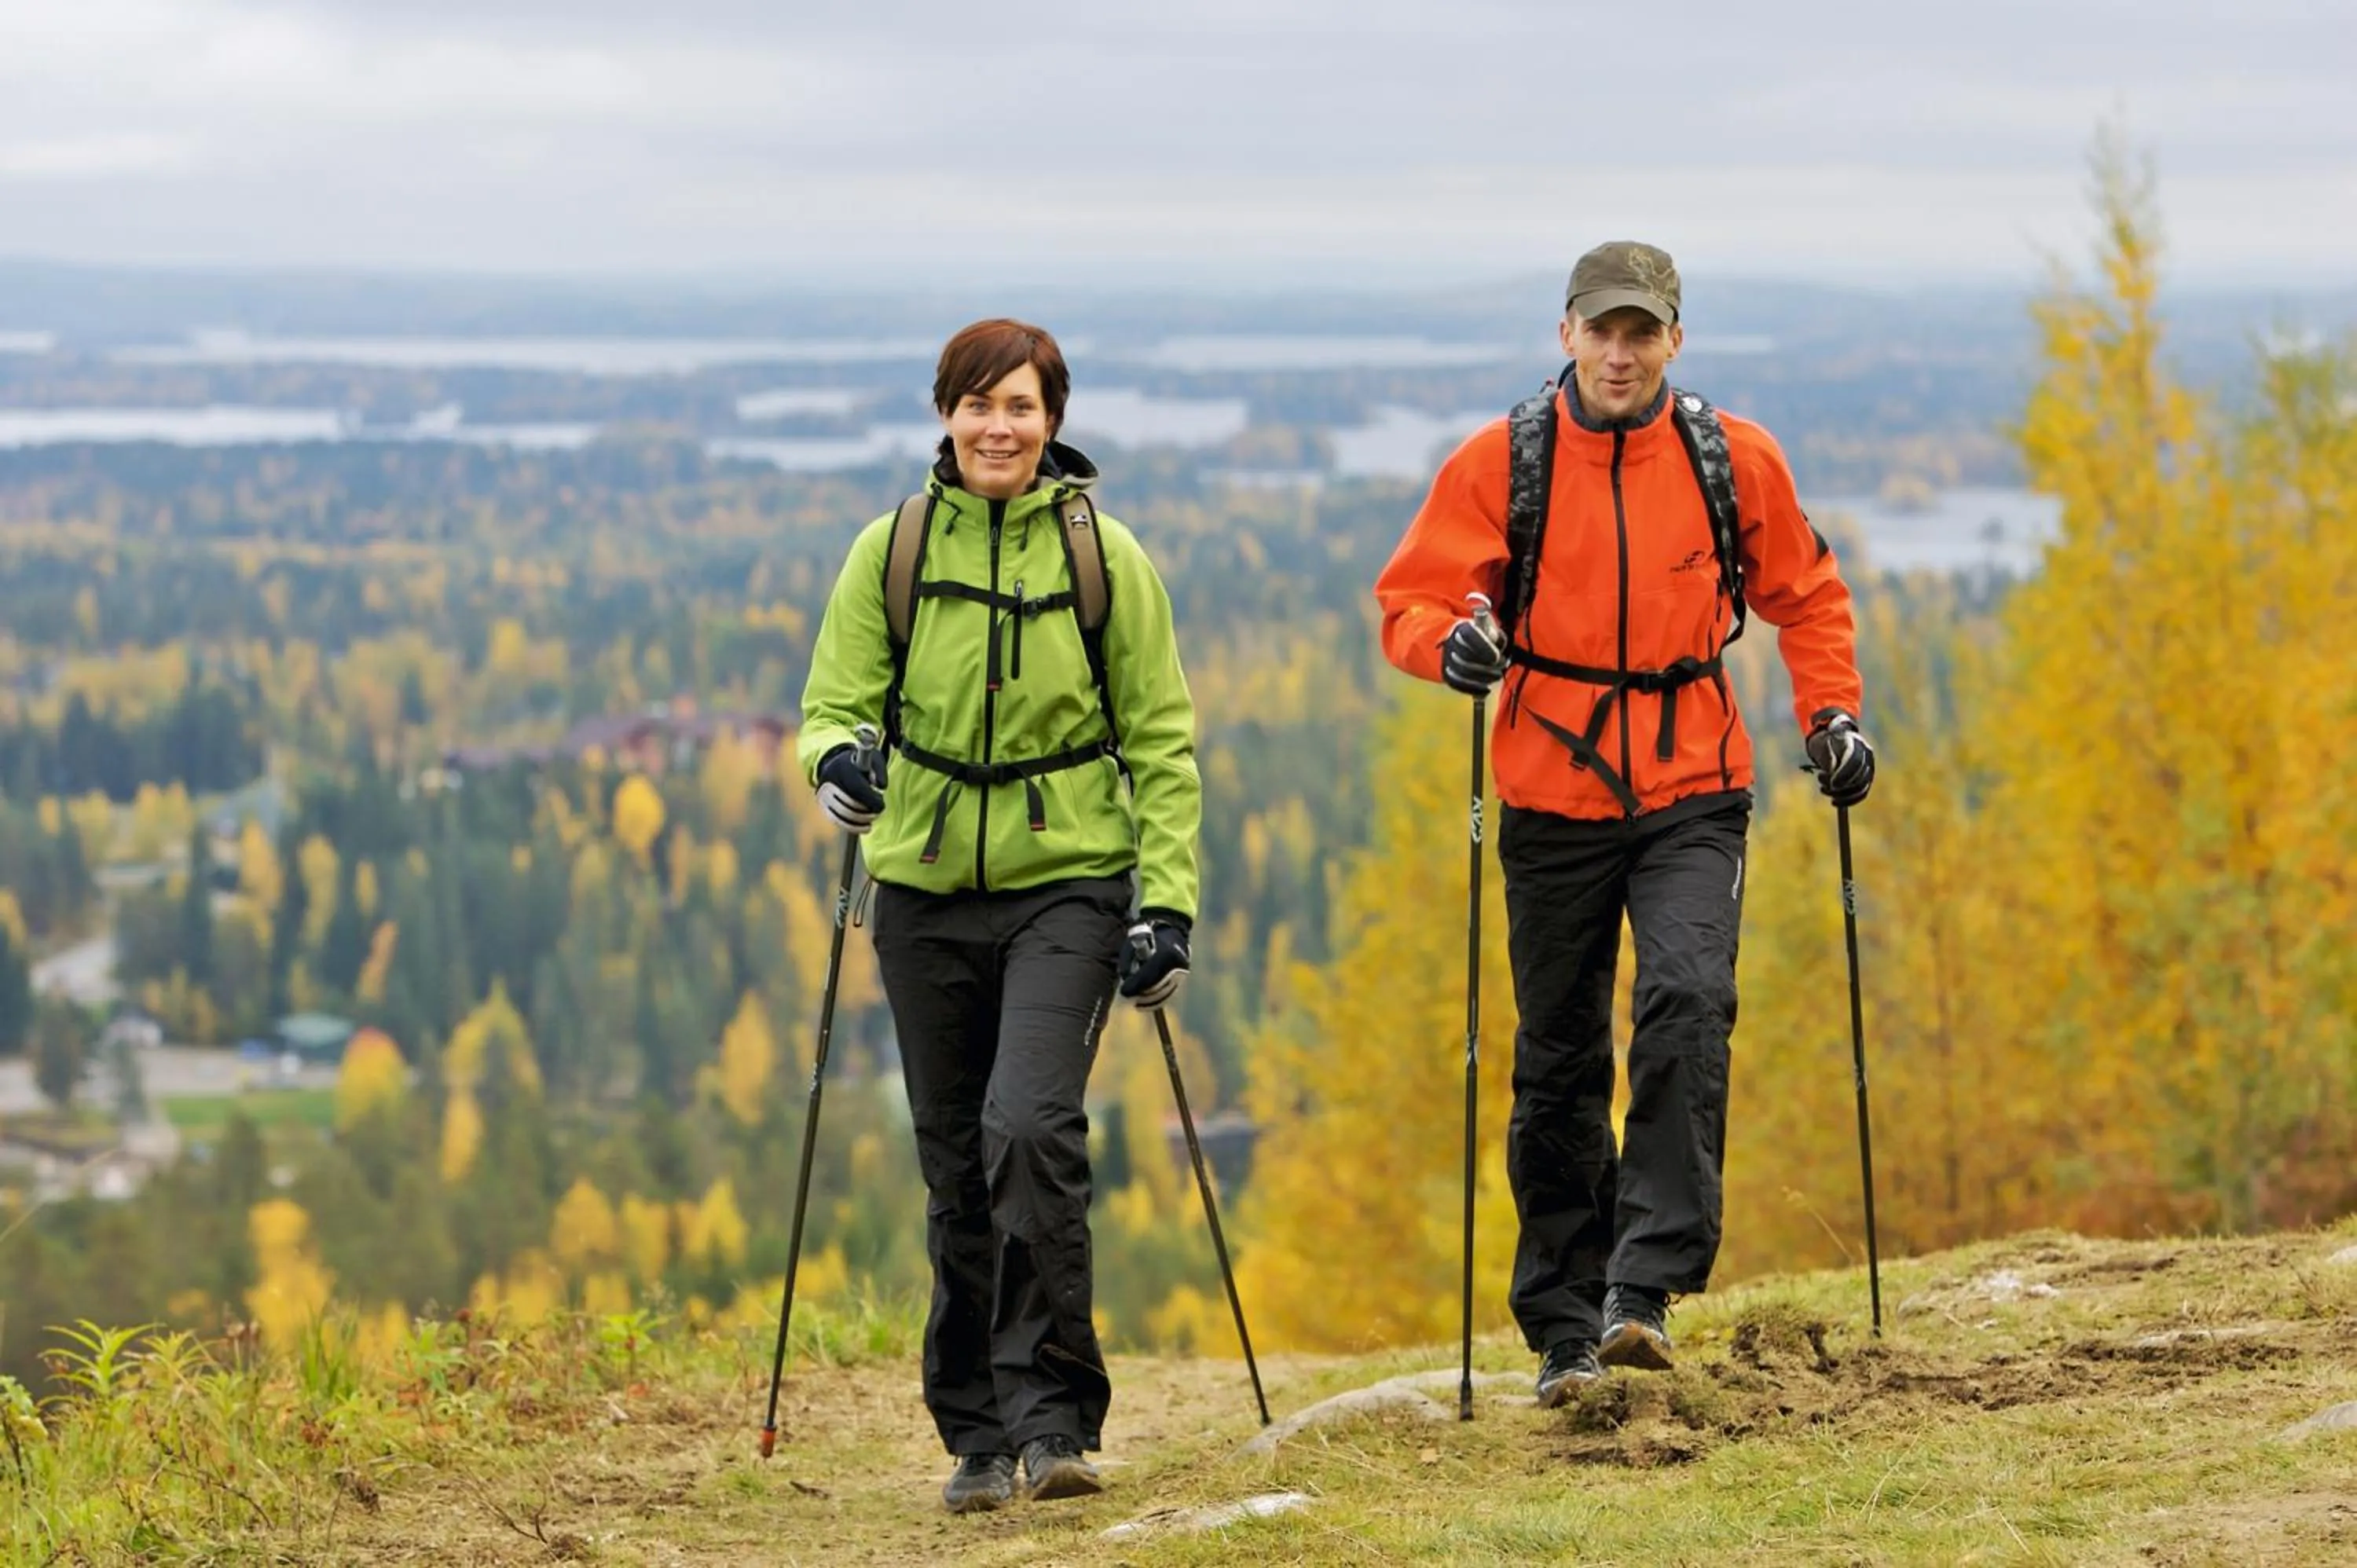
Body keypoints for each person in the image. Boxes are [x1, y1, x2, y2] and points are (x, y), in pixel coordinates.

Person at [1373, 241, 1875, 1408]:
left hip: (1697, 775)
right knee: (1557, 1057)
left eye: (1640, 332)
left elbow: (1807, 594)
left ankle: (1641, 1293)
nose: (1618, 351)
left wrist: (1834, 715)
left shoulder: (1730, 458)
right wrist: (1450, 648)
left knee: (1689, 998)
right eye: (1600, 330)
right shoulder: (1503, 461)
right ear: (1565, 335)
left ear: (1673, 344)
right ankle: (1560, 1324)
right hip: (1552, 785)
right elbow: (1411, 600)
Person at [796, 318, 1202, 1512]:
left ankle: (1057, 1425)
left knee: (1028, 1130)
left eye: (1020, 406)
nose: (998, 427)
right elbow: (831, 704)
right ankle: (975, 1433)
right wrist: (838, 766)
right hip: (919, 886)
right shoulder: (893, 549)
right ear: (945, 415)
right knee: (954, 1163)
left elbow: (1165, 745)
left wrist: (1165, 907)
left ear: (1053, 423)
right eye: (978, 404)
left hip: (1067, 881)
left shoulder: (1105, 558)